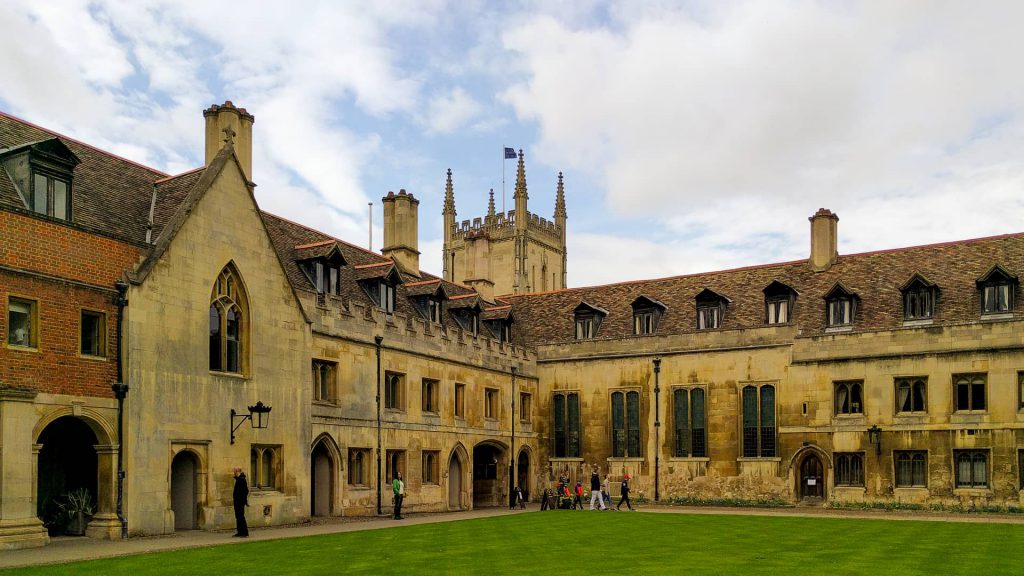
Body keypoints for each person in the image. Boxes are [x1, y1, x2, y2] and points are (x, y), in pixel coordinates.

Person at [232, 467, 249, 537]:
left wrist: (242, 500)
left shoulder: (242, 480)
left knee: (241, 517)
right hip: (237, 501)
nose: (234, 473)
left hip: (240, 502)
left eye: (234, 472)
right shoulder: (238, 479)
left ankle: (244, 532)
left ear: (237, 471)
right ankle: (240, 531)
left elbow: (246, 491)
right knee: (238, 517)